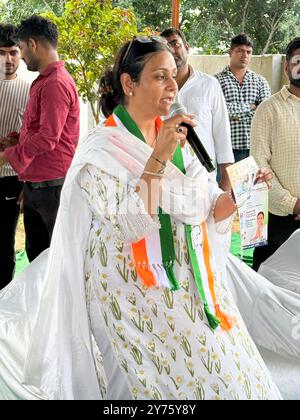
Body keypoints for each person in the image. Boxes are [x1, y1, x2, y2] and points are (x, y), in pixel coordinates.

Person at [0, 36, 281, 400]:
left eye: (173, 76)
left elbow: (209, 205)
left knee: (223, 374)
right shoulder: (101, 149)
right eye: (160, 77)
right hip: (130, 297)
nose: (172, 86)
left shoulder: (182, 136)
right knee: (148, 386)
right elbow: (130, 223)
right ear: (129, 83)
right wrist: (158, 159)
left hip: (191, 286)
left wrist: (241, 195)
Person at [0, 15, 80, 263]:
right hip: (37, 186)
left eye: (20, 49)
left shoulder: (55, 83)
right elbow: (37, 130)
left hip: (51, 189)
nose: (20, 57)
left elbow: (47, 138)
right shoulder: (44, 82)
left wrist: (5, 156)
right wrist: (15, 141)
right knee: (37, 259)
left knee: (51, 263)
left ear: (32, 44)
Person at [160, 28, 234, 192]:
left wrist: (226, 187)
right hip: (166, 181)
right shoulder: (156, 89)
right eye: (165, 48)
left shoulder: (209, 85)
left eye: (175, 44)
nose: (171, 50)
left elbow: (222, 136)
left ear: (187, 48)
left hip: (204, 180)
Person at [250, 37, 300, 271]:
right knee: (273, 290)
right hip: (280, 220)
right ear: (288, 66)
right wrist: (294, 204)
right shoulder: (268, 109)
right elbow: (259, 164)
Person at [0, 24, 30, 288]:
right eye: (1, 53)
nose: (8, 60)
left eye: (13, 52)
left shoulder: (31, 90)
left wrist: (26, 181)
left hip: (11, 180)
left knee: (4, 246)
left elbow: (33, 141)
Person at [215, 34, 271, 163]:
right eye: (239, 51)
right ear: (230, 52)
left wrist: (233, 113)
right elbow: (220, 111)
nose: (244, 55)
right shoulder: (216, 81)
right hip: (226, 148)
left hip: (255, 148)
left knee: (254, 184)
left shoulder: (260, 82)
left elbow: (264, 113)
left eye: (248, 52)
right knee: (224, 184)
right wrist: (251, 106)